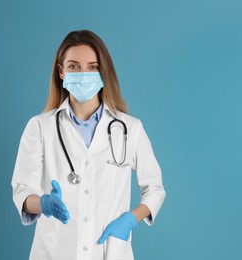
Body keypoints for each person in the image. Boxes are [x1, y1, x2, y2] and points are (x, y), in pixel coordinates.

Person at [11, 30, 166, 260]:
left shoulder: (130, 129)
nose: (83, 73)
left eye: (92, 67)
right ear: (61, 71)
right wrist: (44, 203)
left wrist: (131, 219)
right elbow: (23, 190)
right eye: (74, 66)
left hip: (110, 251)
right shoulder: (40, 127)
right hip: (54, 253)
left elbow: (155, 189)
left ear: (103, 72)